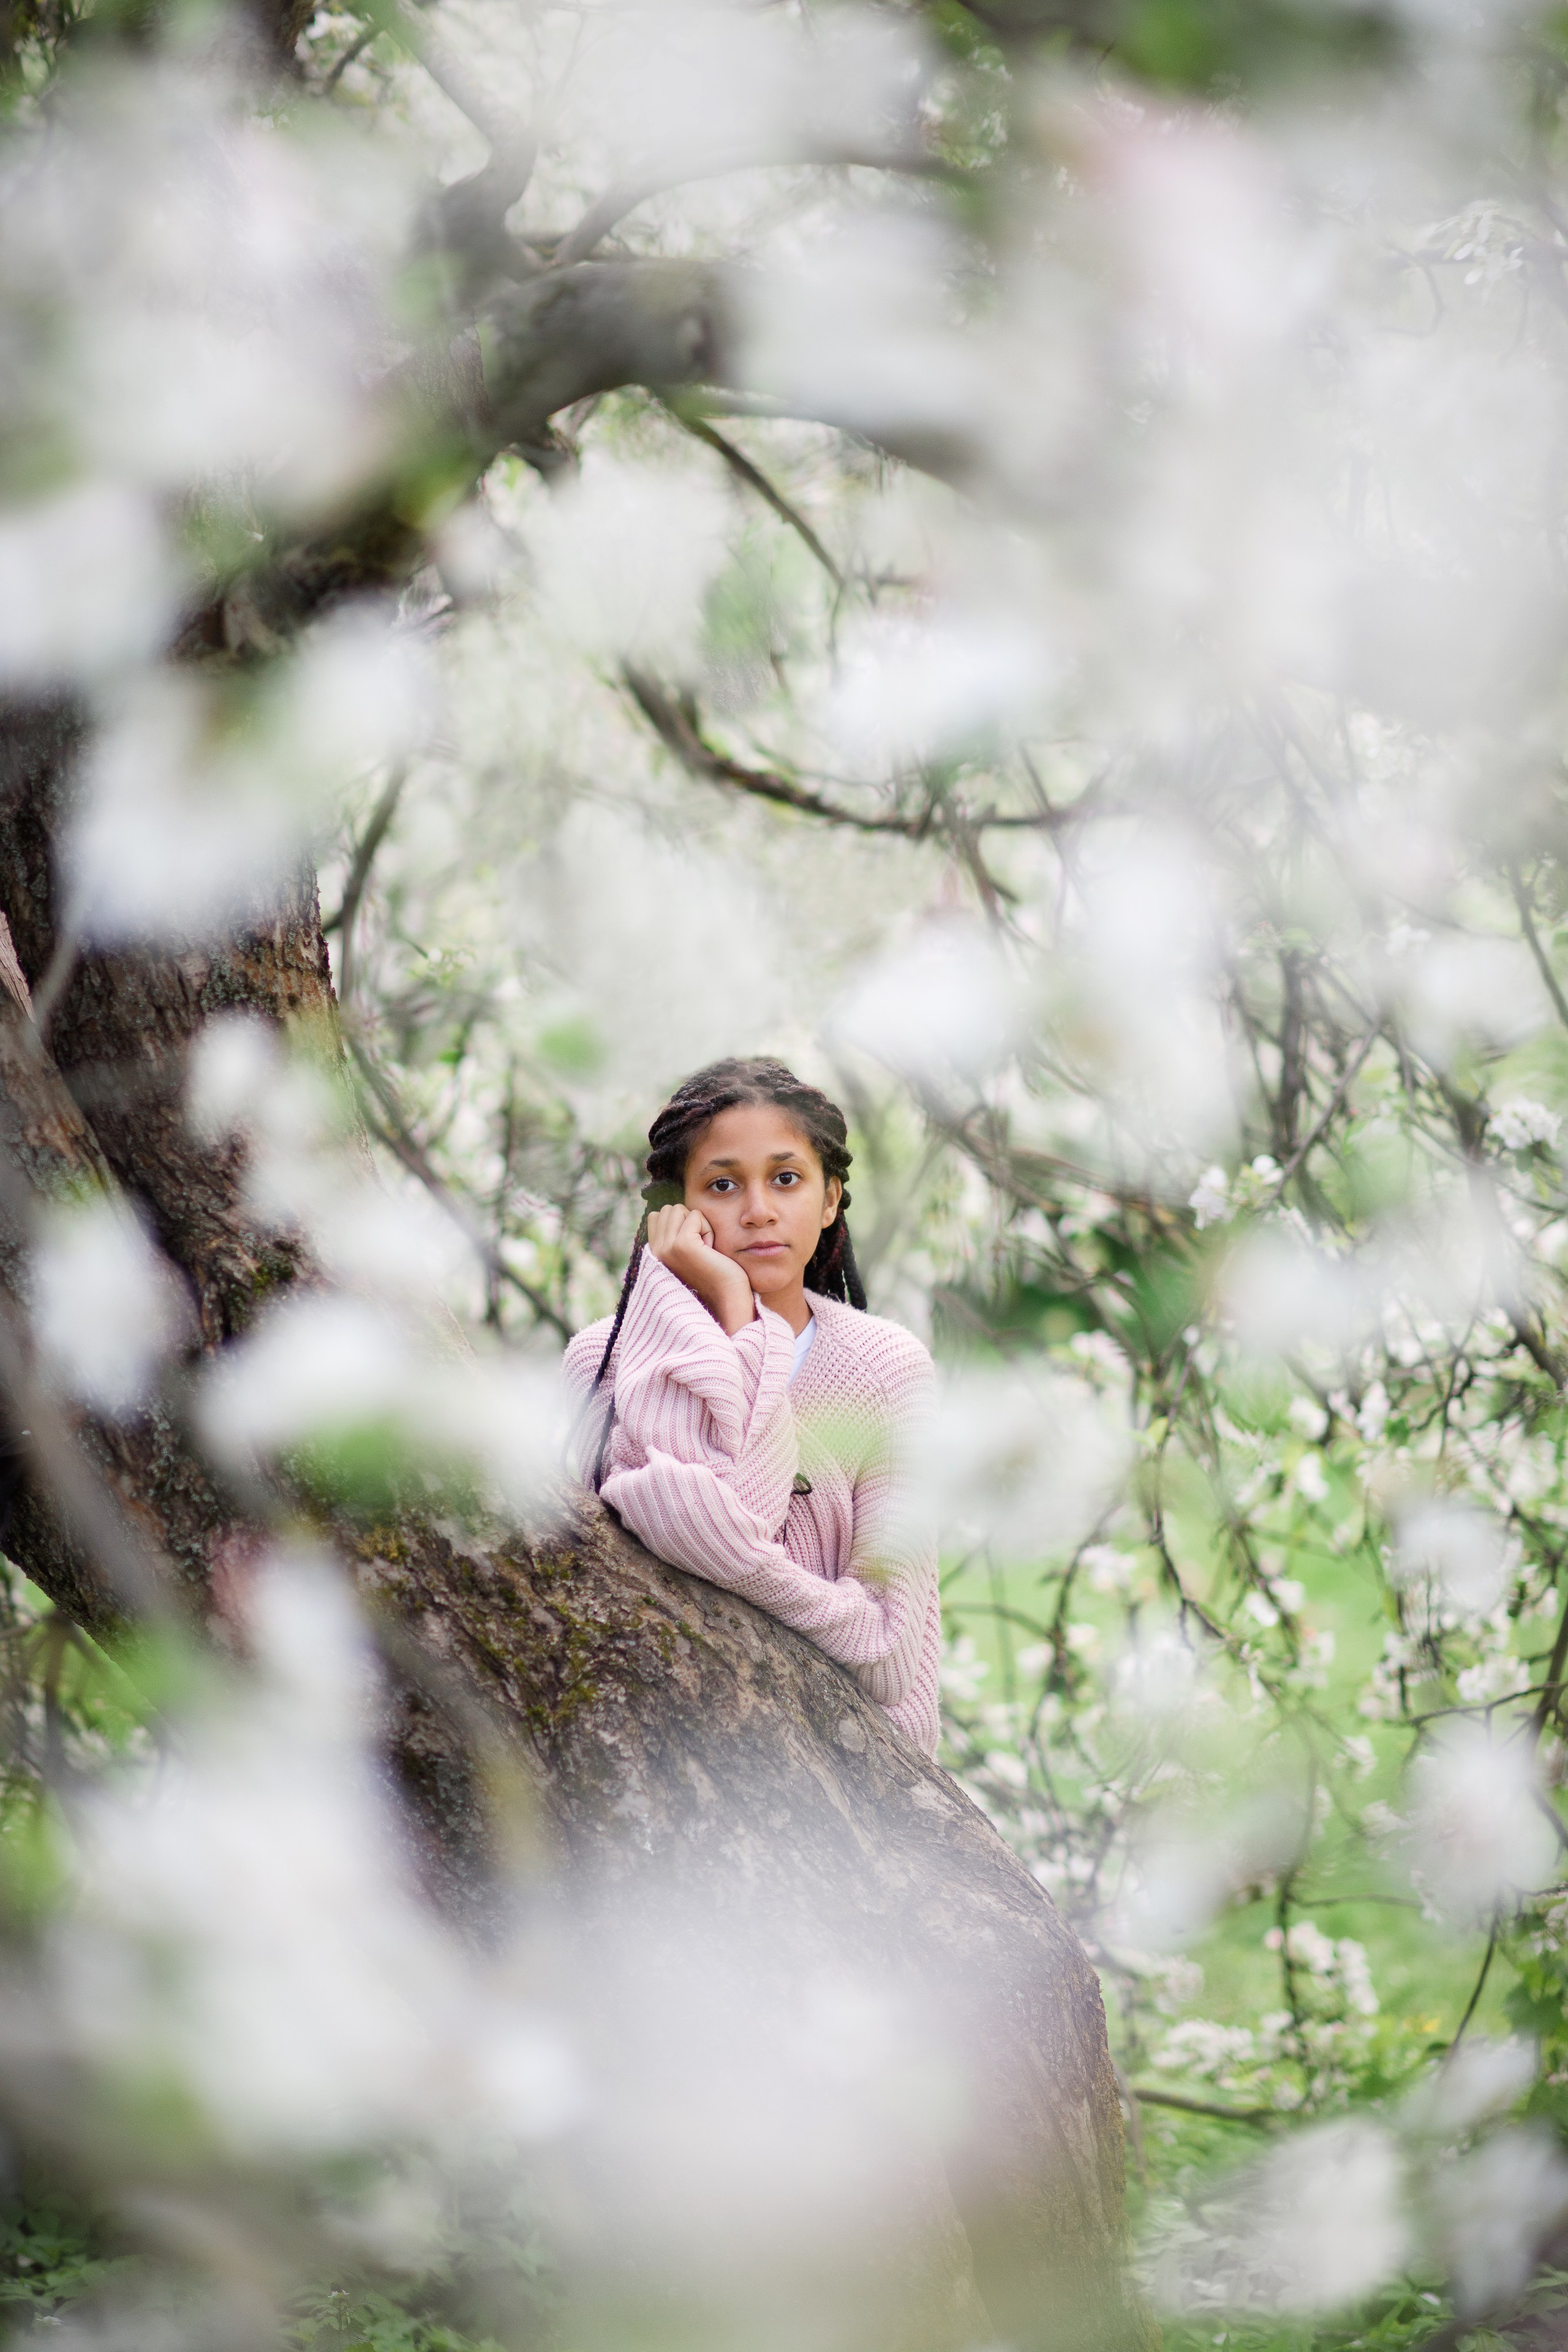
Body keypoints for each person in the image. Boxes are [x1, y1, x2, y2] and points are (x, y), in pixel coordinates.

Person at [562, 1058, 940, 1755]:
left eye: (787, 1178)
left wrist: (715, 1547)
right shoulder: (604, 1365)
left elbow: (889, 1651)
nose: (759, 1210)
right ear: (675, 1210)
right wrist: (734, 1313)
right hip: (664, 1754)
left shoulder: (888, 1370)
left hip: (852, 1784)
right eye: (723, 1184)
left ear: (829, 1201)